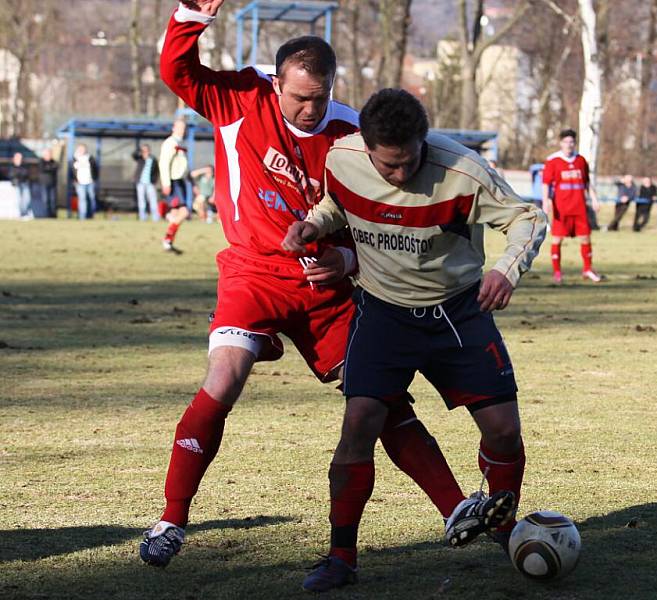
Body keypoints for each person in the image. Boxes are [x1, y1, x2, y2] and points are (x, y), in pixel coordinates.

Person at [139, 0, 467, 571]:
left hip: (328, 292)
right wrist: (192, 14)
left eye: (321, 95)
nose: (310, 108)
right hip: (254, 274)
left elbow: (386, 218)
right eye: (299, 97)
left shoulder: (350, 134)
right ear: (277, 82)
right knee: (223, 379)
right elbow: (176, 72)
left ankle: (457, 508)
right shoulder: (241, 99)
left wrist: (347, 258)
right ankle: (172, 518)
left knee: (380, 399)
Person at [283, 88, 547, 592]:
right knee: (358, 426)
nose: (401, 176)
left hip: (458, 312)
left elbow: (526, 218)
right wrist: (311, 224)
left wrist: (506, 271)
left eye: (409, 163)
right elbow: (333, 206)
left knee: (504, 431)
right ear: (367, 146)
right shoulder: (342, 157)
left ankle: (504, 523)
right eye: (389, 168)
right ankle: (341, 556)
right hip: (383, 314)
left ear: (423, 141)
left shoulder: (462, 171)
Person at [542, 129, 602, 284]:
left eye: (571, 142)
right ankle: (557, 273)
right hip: (561, 208)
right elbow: (546, 184)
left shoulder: (581, 161)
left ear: (575, 143)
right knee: (557, 239)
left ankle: (587, 269)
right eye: (566, 142)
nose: (569, 145)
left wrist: (594, 199)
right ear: (561, 143)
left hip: (579, 207)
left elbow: (587, 183)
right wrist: (545, 202)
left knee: (585, 237)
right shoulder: (553, 161)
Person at [159, 120, 192, 249]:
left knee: (175, 213)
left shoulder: (180, 143)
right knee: (184, 212)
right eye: (180, 128)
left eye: (184, 128)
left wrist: (191, 181)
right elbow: (164, 163)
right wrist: (166, 183)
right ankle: (167, 238)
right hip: (173, 182)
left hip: (180, 181)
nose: (182, 130)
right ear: (174, 128)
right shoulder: (170, 143)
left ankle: (168, 242)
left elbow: (182, 165)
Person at [133, 144, 160, 221]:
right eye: (143, 150)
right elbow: (133, 154)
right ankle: (142, 217)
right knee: (141, 200)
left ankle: (155, 217)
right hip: (140, 183)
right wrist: (139, 150)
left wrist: (154, 181)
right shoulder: (140, 158)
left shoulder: (153, 159)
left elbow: (156, 171)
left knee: (153, 200)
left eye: (146, 150)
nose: (144, 151)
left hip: (150, 183)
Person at [71, 144, 98, 220]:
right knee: (82, 199)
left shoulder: (90, 158)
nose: (82, 150)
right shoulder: (75, 159)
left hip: (90, 182)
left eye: (83, 149)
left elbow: (95, 169)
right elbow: (72, 171)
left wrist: (94, 178)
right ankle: (82, 216)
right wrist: (75, 180)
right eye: (80, 149)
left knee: (91, 198)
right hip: (80, 183)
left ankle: (90, 215)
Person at [8, 152, 32, 219]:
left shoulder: (25, 165)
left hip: (25, 183)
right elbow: (11, 175)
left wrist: (19, 172)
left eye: (20, 158)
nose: (19, 159)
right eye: (17, 157)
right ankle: (22, 214)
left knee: (27, 199)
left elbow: (25, 173)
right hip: (17, 185)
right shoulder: (12, 165)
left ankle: (25, 213)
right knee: (19, 200)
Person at [38, 148, 59, 218]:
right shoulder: (41, 161)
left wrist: (50, 168)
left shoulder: (53, 161)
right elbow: (43, 169)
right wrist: (50, 168)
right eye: (47, 154)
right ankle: (46, 215)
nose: (49, 155)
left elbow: (56, 168)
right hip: (44, 184)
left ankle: (53, 215)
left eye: (50, 154)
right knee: (46, 200)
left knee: (53, 200)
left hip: (53, 183)